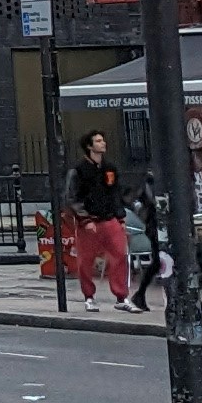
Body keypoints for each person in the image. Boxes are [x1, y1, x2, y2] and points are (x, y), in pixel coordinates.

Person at [64, 132, 134, 308]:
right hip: (89, 221)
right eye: (98, 141)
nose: (103, 143)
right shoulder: (79, 170)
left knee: (119, 255)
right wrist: (85, 219)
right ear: (89, 146)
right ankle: (89, 296)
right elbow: (72, 197)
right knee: (86, 261)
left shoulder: (109, 167)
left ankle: (121, 296)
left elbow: (115, 193)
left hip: (109, 218)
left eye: (103, 139)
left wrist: (121, 217)